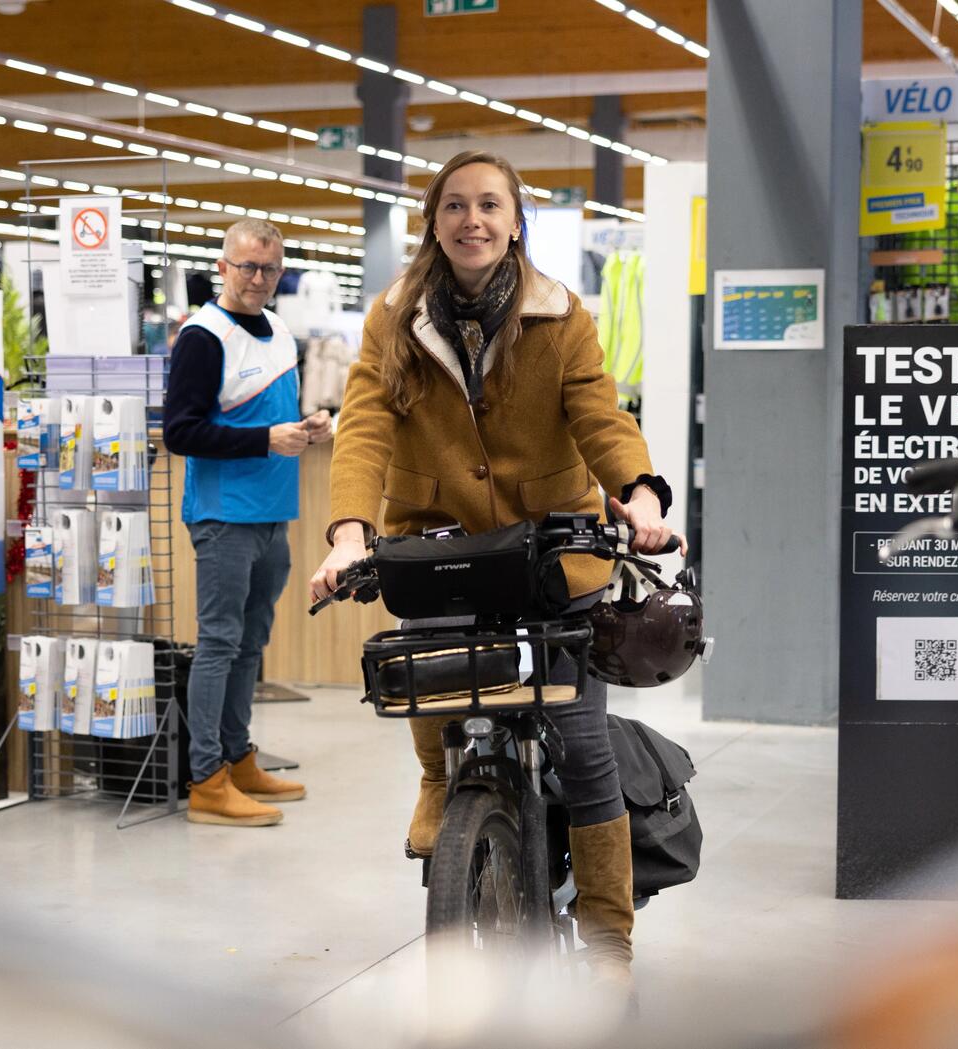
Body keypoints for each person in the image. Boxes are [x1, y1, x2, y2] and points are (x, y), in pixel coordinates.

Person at [311, 151, 680, 991]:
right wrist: (347, 532)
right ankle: (440, 778)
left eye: (489, 205)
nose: (471, 220)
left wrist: (642, 494)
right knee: (429, 671)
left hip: (553, 546)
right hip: (439, 543)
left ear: (516, 221)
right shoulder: (393, 318)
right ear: (433, 221)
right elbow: (364, 425)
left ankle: (608, 941)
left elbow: (598, 410)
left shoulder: (561, 314)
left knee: (585, 750)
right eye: (454, 206)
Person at [165, 218, 331, 827]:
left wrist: (305, 428)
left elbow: (268, 417)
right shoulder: (203, 337)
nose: (258, 279)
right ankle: (206, 780)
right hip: (223, 516)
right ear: (224, 267)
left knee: (249, 645)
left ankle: (237, 759)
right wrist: (265, 439)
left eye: (269, 269)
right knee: (218, 644)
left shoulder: (281, 331)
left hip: (272, 514)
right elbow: (180, 432)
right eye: (247, 268)